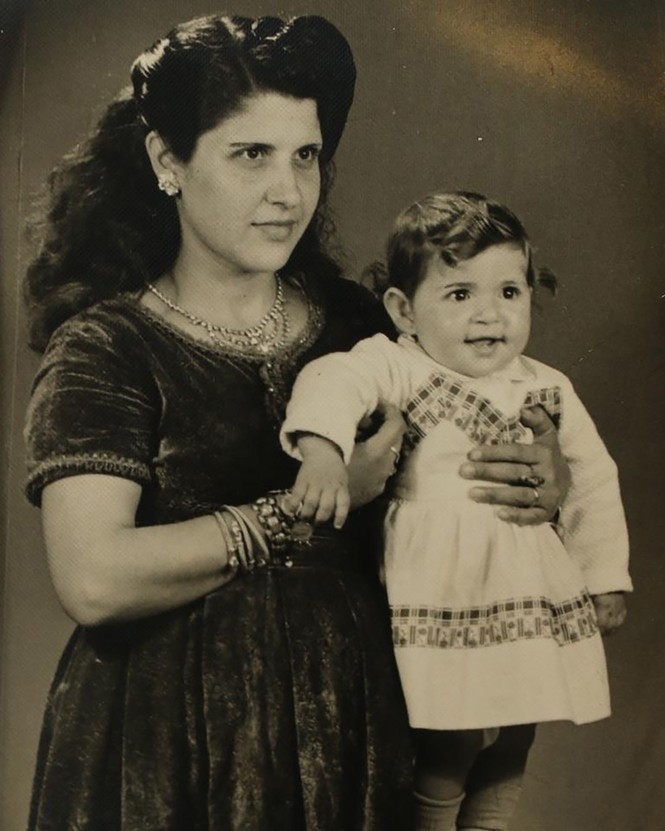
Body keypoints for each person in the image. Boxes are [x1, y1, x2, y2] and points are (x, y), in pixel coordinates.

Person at [22, 14, 568, 830]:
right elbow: (95, 579)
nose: (288, 192)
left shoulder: (361, 324)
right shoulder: (106, 348)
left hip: (354, 728)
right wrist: (301, 506)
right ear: (168, 161)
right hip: (165, 746)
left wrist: (538, 477)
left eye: (304, 155)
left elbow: (466, 459)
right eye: (251, 154)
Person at [280, 192, 632, 831]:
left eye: (509, 292)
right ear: (404, 311)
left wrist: (603, 573)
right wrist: (323, 451)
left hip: (526, 582)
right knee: (453, 741)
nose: (489, 316)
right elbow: (332, 380)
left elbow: (590, 480)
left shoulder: (544, 387)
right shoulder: (399, 365)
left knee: (520, 727)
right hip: (444, 583)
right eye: (460, 295)